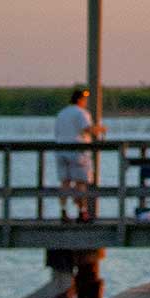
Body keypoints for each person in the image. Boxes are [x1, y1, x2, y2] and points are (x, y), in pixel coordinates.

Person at [55, 88, 105, 222]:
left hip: (61, 150)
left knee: (64, 182)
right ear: (80, 100)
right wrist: (100, 129)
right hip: (78, 151)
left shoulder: (62, 113)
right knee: (80, 183)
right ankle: (82, 212)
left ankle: (63, 211)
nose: (86, 102)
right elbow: (87, 129)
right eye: (84, 99)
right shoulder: (81, 113)